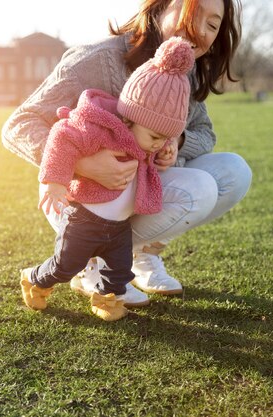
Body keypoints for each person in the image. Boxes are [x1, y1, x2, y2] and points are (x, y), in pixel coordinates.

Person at [2, 0, 252, 308]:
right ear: (160, 7)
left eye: (212, 25)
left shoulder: (187, 73)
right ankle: (91, 262)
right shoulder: (97, 59)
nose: (200, 31)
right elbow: (18, 125)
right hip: (78, 196)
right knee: (199, 188)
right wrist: (82, 165)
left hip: (135, 190)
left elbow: (205, 134)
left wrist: (175, 142)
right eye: (193, 14)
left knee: (234, 172)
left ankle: (142, 255)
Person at [20, 37, 194, 321]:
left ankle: (106, 299)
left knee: (119, 269)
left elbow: (153, 151)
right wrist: (55, 181)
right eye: (154, 137)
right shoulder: (103, 130)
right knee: (65, 265)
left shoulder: (148, 142)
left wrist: (165, 151)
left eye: (165, 138)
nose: (157, 144)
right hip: (84, 219)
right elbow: (62, 137)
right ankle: (35, 279)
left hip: (118, 226)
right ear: (131, 118)